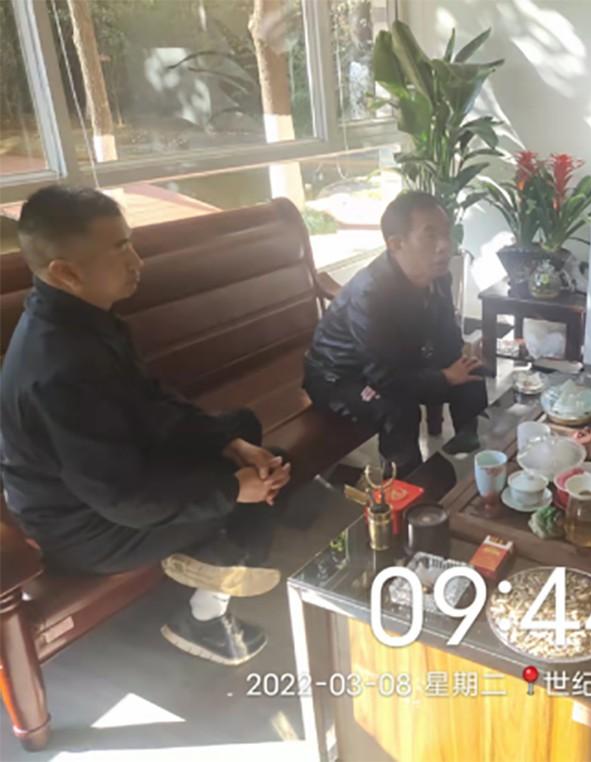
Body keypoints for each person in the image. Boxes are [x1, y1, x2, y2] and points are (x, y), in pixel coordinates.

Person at [0, 186, 292, 666]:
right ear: (66, 272)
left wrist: (231, 444)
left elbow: (151, 400)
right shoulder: (60, 369)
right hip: (87, 527)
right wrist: (231, 490)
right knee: (249, 497)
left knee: (246, 432)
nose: (138, 261)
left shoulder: (85, 321)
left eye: (130, 243)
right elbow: (123, 499)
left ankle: (213, 552)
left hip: (122, 469)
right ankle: (203, 617)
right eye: (120, 251)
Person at [304, 191, 488, 474]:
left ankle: (470, 454)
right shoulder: (371, 295)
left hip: (396, 361)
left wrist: (461, 354)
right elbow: (384, 378)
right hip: (341, 377)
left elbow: (447, 336)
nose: (444, 245)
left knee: (471, 371)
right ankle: (408, 482)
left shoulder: (438, 277)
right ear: (396, 244)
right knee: (398, 409)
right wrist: (444, 377)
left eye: (445, 233)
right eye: (430, 235)